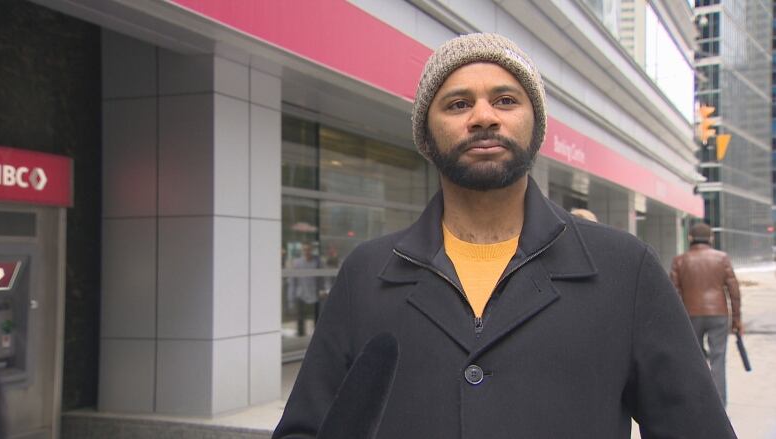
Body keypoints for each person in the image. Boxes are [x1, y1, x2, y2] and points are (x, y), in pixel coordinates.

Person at [274, 33, 735, 438]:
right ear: (425, 135)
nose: (483, 117)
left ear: (535, 126)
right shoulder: (368, 273)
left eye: (506, 100)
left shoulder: (625, 269)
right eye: (457, 104)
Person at [670, 222, 742, 406]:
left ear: (690, 238)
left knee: (693, 359)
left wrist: (674, 321)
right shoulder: (722, 258)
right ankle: (718, 405)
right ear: (711, 238)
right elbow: (733, 290)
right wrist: (736, 319)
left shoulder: (680, 260)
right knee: (718, 358)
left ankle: (695, 402)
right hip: (718, 313)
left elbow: (673, 293)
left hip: (690, 314)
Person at [286, 243, 321, 337]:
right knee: (300, 319)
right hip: (301, 295)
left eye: (308, 249)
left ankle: (316, 339)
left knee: (317, 320)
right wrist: (291, 300)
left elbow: (321, 279)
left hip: (314, 294)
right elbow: (293, 282)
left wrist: (323, 291)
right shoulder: (297, 262)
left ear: (311, 250)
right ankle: (301, 336)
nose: (307, 252)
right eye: (304, 250)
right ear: (302, 251)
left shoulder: (317, 262)